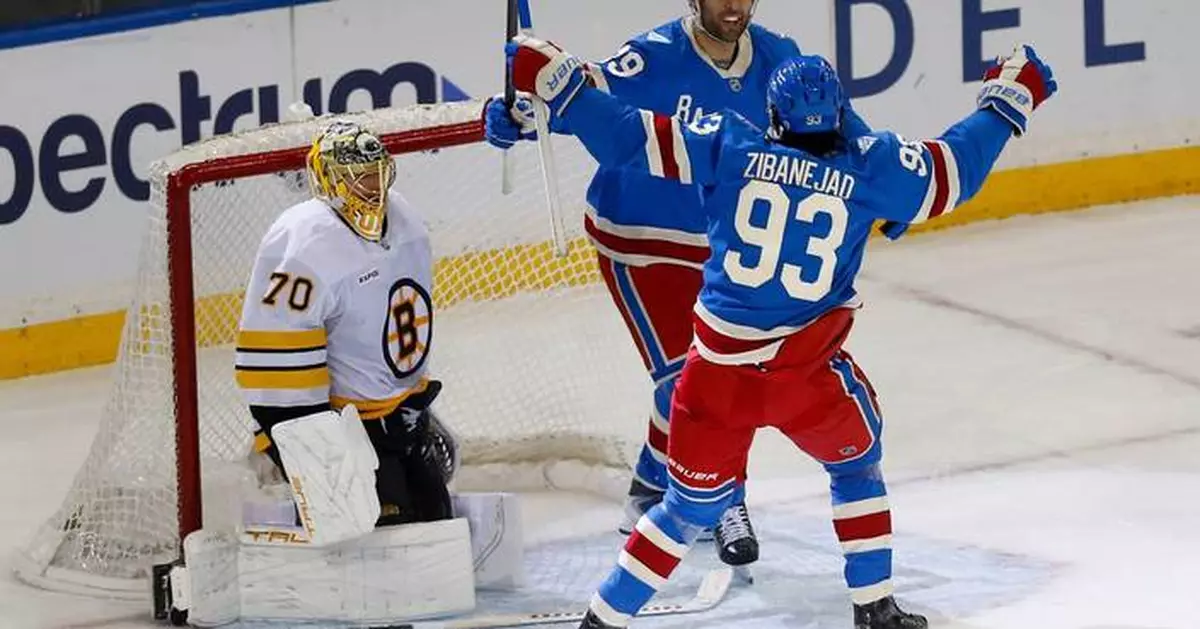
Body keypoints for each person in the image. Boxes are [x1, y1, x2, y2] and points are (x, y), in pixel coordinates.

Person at [506, 32, 1057, 629]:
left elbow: (623, 137)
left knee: (683, 512)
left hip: (714, 384)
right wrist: (1008, 101)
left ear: (772, 116)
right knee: (855, 468)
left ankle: (602, 620)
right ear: (840, 112)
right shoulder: (871, 168)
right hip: (806, 379)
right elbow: (954, 171)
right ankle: (874, 608)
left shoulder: (730, 146)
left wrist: (556, 79)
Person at [486, 0, 874, 568]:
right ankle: (727, 502)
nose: (735, 5)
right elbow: (584, 96)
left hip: (721, 254)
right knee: (691, 380)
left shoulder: (780, 57)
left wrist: (878, 183)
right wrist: (518, 115)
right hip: (639, 247)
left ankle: (650, 486)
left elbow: (842, 127)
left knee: (702, 380)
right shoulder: (652, 56)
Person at [235, 119, 459, 533]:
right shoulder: (304, 243)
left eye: (376, 175)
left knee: (437, 521)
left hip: (401, 417)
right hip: (343, 425)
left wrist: (417, 401)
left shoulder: (406, 219)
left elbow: (390, 328)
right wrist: (302, 445)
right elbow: (275, 363)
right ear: (329, 183)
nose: (373, 188)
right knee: (368, 535)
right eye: (358, 179)